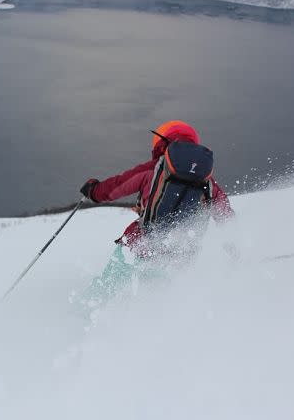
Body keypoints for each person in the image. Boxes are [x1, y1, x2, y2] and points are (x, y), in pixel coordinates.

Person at [74, 120, 234, 311]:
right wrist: (237, 250)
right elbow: (226, 217)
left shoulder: (153, 169)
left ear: (163, 143)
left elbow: (117, 186)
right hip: (180, 256)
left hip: (140, 245)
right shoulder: (207, 181)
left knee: (111, 289)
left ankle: (84, 314)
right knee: (157, 302)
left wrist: (94, 190)